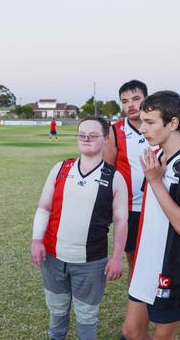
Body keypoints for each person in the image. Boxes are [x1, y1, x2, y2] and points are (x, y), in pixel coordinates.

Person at [121, 91, 180, 340]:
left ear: (172, 123)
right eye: (141, 122)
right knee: (131, 332)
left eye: (150, 122)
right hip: (147, 261)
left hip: (172, 267)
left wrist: (154, 180)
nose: (142, 129)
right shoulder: (159, 156)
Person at [31, 116, 128, 340]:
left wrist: (116, 258)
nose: (86, 139)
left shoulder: (114, 178)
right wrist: (37, 240)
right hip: (53, 258)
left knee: (87, 316)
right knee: (57, 311)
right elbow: (44, 207)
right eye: (82, 134)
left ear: (105, 139)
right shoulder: (61, 168)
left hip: (91, 262)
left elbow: (122, 221)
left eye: (92, 135)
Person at [103, 80, 152, 279]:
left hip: (158, 205)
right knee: (132, 255)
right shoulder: (115, 130)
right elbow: (108, 171)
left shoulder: (160, 126)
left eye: (135, 99)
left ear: (146, 99)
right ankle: (137, 300)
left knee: (158, 254)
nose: (130, 105)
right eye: (124, 101)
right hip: (130, 207)